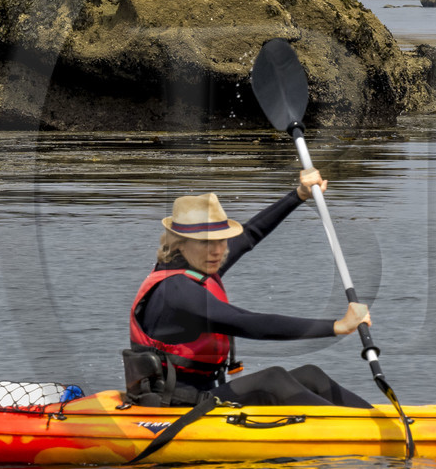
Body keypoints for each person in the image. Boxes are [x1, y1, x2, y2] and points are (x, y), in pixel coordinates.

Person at [128, 169, 373, 409]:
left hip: (205, 394)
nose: (217, 250)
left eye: (221, 240)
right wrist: (336, 326)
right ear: (180, 244)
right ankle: (358, 435)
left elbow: (252, 233)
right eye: (206, 243)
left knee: (311, 375)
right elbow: (247, 322)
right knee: (271, 380)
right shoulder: (176, 291)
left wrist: (299, 194)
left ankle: (383, 422)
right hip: (176, 404)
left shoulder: (199, 263)